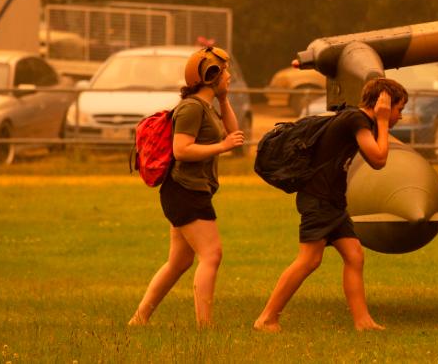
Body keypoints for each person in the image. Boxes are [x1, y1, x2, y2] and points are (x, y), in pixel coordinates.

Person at [254, 77, 408, 332]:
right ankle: (267, 318)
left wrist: (379, 122)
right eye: (399, 109)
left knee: (354, 255)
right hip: (319, 200)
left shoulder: (357, 120)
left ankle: (363, 322)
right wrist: (382, 121)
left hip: (332, 201)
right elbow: (379, 159)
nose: (400, 116)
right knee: (309, 260)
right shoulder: (356, 120)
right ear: (384, 104)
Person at [129, 46, 245, 327]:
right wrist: (222, 147)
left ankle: (139, 319)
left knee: (179, 263)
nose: (229, 76)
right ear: (211, 75)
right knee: (212, 254)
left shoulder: (206, 106)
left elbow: (234, 133)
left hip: (189, 189)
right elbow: (181, 150)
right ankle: (204, 327)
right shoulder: (192, 108)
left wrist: (224, 99)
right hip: (184, 190)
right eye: (225, 71)